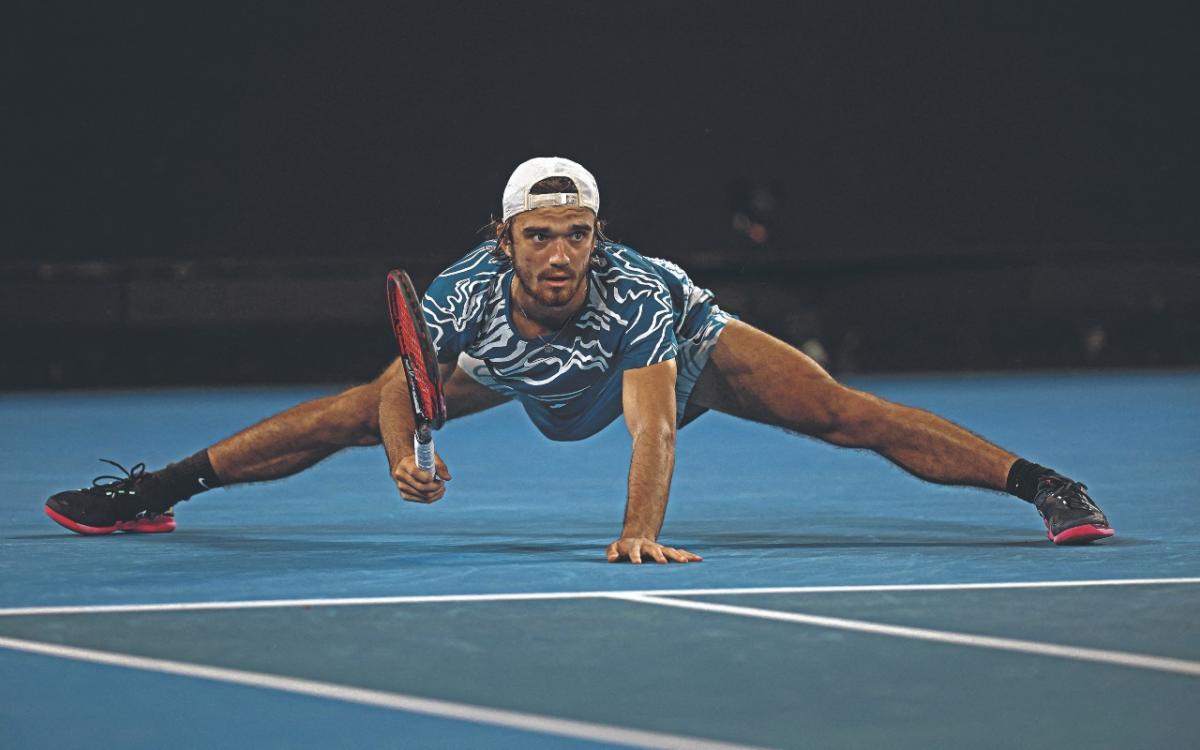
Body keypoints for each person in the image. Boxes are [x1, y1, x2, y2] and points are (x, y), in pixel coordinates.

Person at [44, 157, 1114, 562]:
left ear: (598, 237)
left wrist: (638, 533)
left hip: (681, 363)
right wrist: (398, 453)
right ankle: (153, 490)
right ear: (504, 238)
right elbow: (391, 395)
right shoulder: (463, 293)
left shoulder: (639, 291)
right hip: (522, 368)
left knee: (843, 412)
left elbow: (652, 424)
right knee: (340, 413)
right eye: (542, 233)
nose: (563, 250)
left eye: (580, 231)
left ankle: (1044, 486)